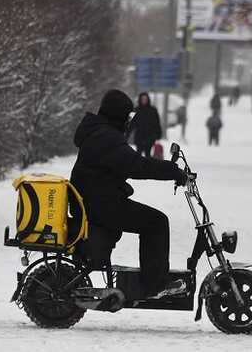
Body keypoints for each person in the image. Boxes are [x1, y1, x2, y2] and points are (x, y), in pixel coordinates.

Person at [70, 89, 188, 299]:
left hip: (96, 201)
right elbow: (136, 165)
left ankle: (152, 281)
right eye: (128, 116)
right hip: (100, 204)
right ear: (118, 115)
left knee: (151, 220)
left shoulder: (99, 132)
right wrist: (172, 171)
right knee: (156, 222)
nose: (129, 121)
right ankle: (155, 284)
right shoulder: (106, 137)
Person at [129, 92, 162, 158]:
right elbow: (130, 123)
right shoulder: (135, 110)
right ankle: (138, 167)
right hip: (139, 136)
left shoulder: (153, 110)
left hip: (150, 136)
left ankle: (147, 168)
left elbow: (157, 123)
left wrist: (158, 134)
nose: (144, 100)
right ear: (140, 100)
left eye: (145, 99)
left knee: (148, 155)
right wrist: (127, 133)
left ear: (148, 99)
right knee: (138, 154)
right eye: (142, 99)